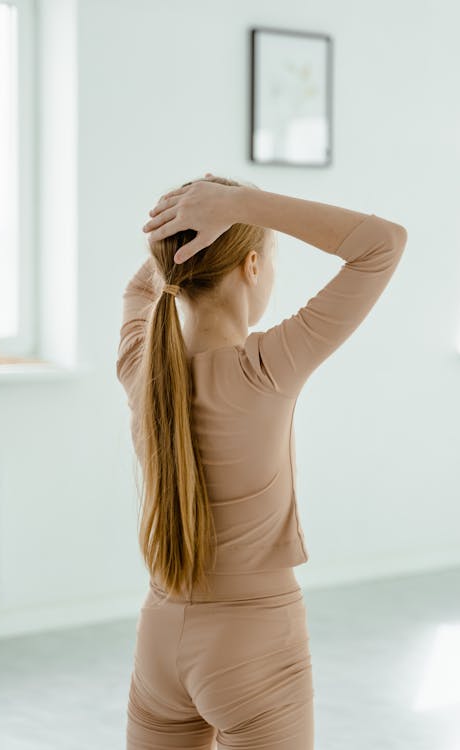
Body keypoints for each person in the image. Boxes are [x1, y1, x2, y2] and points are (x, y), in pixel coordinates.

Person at [116, 174, 408, 749]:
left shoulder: (141, 370)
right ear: (252, 266)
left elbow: (146, 286)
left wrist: (189, 228)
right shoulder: (265, 367)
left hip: (158, 639)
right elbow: (383, 243)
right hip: (253, 643)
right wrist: (243, 204)